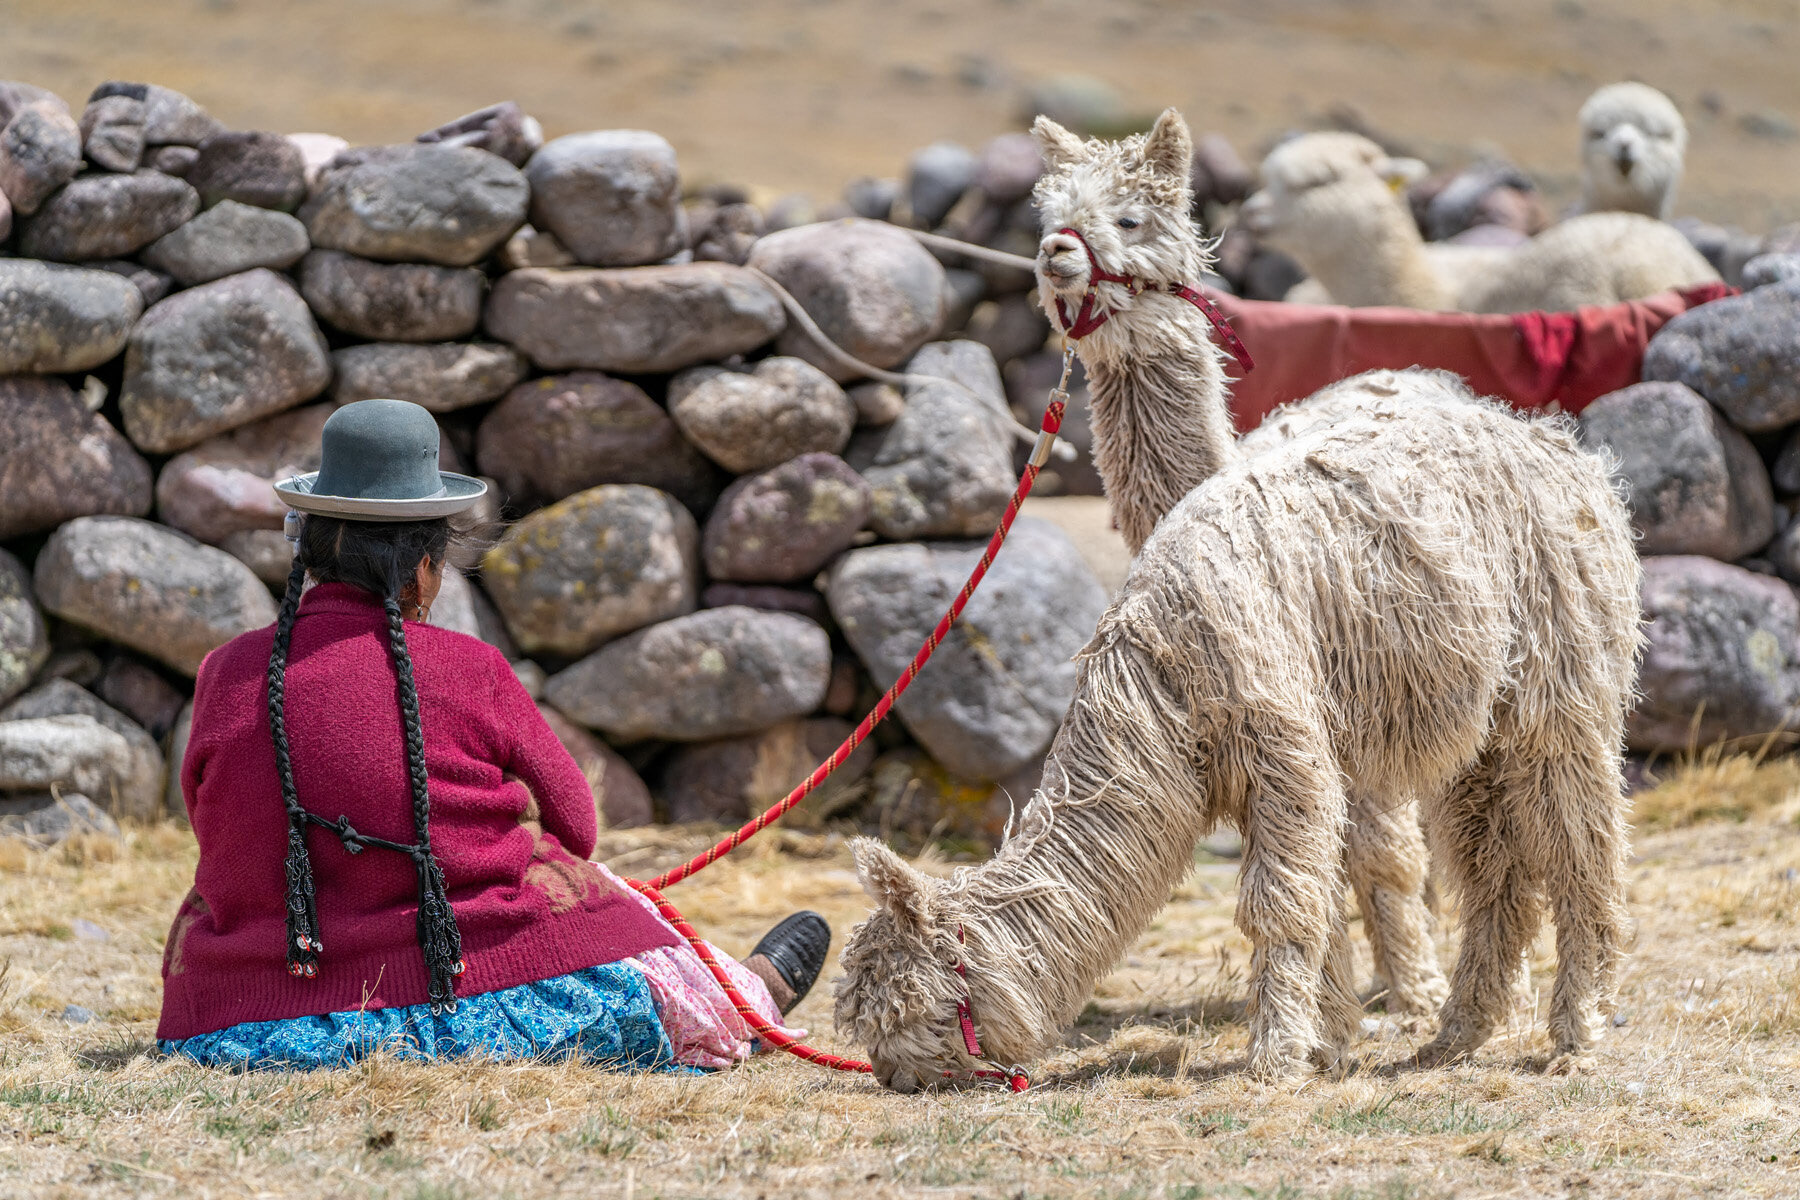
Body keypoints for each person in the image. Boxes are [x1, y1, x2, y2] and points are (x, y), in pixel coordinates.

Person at [157, 398, 830, 1071]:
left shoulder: (231, 671)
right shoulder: (471, 667)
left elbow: (212, 822)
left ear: (307, 549)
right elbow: (579, 826)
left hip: (247, 1028)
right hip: (467, 1006)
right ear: (425, 567)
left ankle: (745, 990)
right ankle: (751, 995)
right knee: (637, 952)